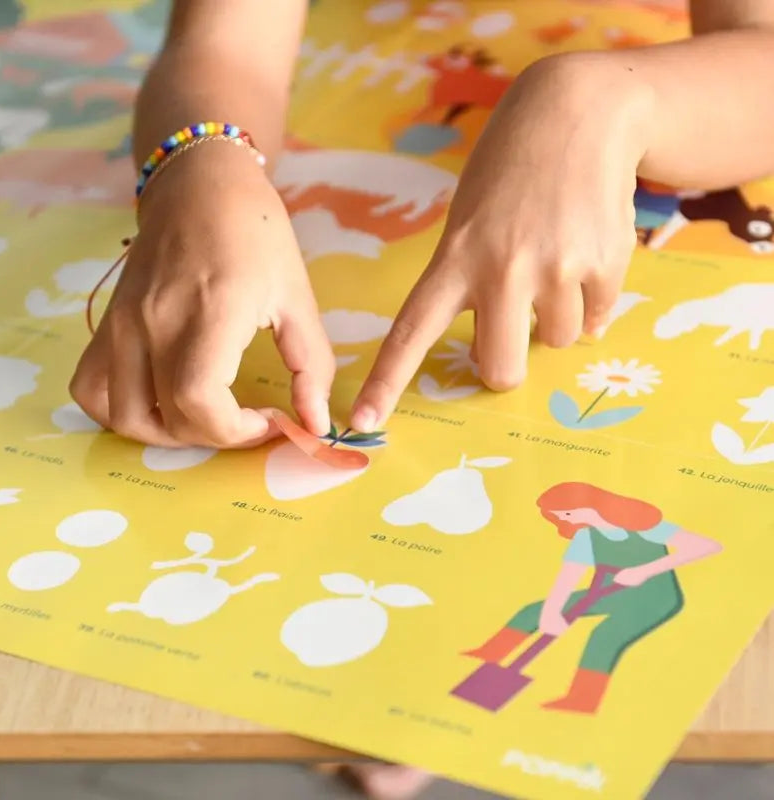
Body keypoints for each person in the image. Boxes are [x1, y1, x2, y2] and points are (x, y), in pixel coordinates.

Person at [68, 1, 774, 797]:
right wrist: (199, 163)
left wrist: (602, 98)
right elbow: (224, 44)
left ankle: (450, 679)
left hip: (688, 113)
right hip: (370, 85)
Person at [460, 482, 722, 713]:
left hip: (653, 597)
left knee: (604, 637)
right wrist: (552, 612)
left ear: (592, 504)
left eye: (568, 512)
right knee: (534, 611)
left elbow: (706, 546)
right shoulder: (586, 536)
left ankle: (581, 700)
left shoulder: (645, 526)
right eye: (561, 515)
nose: (567, 518)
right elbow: (569, 575)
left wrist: (644, 571)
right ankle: (490, 653)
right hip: (608, 592)